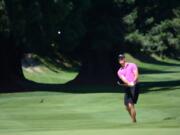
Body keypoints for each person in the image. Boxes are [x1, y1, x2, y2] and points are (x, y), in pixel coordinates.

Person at [117, 54, 139, 123]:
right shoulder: (119, 71)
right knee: (127, 107)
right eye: (120, 59)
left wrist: (133, 81)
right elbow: (123, 79)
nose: (121, 60)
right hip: (127, 87)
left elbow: (136, 74)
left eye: (122, 58)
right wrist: (129, 83)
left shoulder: (132, 65)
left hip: (135, 86)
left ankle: (133, 122)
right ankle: (134, 120)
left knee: (130, 104)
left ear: (124, 59)